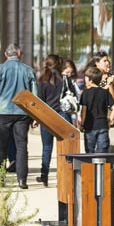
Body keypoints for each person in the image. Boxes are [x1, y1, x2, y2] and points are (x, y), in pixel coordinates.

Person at [0, 44, 36, 189]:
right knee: (22, 146)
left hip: (3, 111)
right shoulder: (28, 70)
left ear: (5, 54)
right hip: (23, 112)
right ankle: (22, 180)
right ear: (19, 53)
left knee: (1, 147)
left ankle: (0, 178)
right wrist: (34, 115)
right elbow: (34, 94)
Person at [36, 54, 66, 186]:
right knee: (63, 148)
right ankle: (64, 175)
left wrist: (36, 118)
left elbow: (40, 101)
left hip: (46, 116)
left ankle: (44, 175)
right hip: (61, 115)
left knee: (47, 148)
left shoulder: (43, 80)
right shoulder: (63, 80)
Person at [79, 65, 114, 153]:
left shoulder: (85, 93)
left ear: (90, 80)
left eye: (86, 78)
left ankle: (91, 167)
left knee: (90, 152)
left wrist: (82, 124)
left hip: (89, 126)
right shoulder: (105, 92)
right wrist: (110, 120)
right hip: (103, 125)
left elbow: (83, 111)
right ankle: (101, 167)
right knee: (102, 153)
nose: (85, 80)